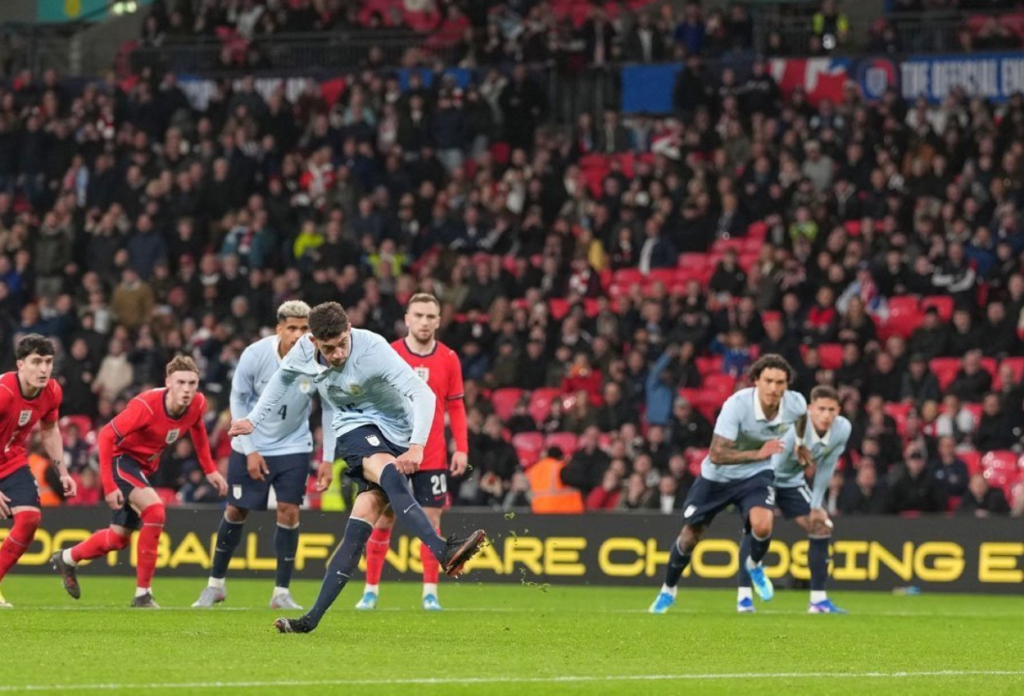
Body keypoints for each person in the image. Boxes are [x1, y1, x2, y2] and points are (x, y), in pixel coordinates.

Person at [228, 302, 485, 634]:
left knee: (356, 533)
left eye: (341, 344)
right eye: (328, 348)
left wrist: (418, 444)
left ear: (349, 329)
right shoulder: (303, 352)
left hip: (397, 430)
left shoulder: (373, 348)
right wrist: (253, 420)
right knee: (389, 473)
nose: (336, 355)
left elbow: (423, 394)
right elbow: (282, 380)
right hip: (352, 427)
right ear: (313, 341)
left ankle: (309, 620)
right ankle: (442, 549)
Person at [51, 356, 228, 608]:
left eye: (192, 383)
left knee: (118, 538)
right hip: (120, 460)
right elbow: (106, 435)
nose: (187, 389)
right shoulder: (147, 406)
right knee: (155, 510)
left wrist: (210, 470)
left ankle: (66, 558)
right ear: (168, 382)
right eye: (180, 382)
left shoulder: (197, 404)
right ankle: (143, 594)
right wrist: (109, 485)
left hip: (143, 467)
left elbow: (198, 429)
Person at [649, 355, 807, 614]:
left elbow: (801, 418)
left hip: (756, 474)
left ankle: (754, 565)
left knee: (763, 524)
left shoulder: (795, 403)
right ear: (756, 381)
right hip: (718, 477)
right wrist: (758, 453)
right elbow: (717, 454)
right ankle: (668, 590)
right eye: (768, 381)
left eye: (780, 382)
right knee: (690, 537)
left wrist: (799, 444)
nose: (774, 388)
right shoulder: (736, 405)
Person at [192, 301, 313, 610]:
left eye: (304, 328)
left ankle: (281, 593)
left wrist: (327, 460)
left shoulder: (317, 358)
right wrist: (251, 450)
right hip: (251, 443)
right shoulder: (255, 354)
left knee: (289, 511)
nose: (298, 335)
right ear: (279, 329)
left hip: (293, 445)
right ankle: (215, 585)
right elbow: (237, 399)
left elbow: (330, 403)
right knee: (236, 511)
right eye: (292, 328)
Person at [356, 293, 469, 612]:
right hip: (392, 449)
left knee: (431, 521)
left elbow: (456, 405)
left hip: (432, 453)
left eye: (430, 316)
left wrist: (461, 447)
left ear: (438, 320)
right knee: (383, 519)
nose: (424, 322)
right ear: (407, 318)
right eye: (418, 315)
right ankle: (371, 591)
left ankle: (430, 593)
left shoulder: (449, 357)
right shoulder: (389, 353)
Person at [738, 385, 850, 614]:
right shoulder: (795, 428)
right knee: (756, 528)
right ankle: (744, 598)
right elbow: (774, 463)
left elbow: (827, 466)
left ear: (839, 410)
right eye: (821, 409)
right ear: (810, 409)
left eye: (831, 409)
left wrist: (817, 505)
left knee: (820, 527)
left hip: (790, 482)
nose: (826, 415)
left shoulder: (842, 429)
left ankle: (818, 601)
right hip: (762, 476)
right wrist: (764, 500)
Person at [0, 335, 76, 608]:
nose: (43, 369)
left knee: (30, 519)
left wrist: (63, 472)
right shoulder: (3, 392)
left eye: (48, 362)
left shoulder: (52, 391)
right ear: (20, 365)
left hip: (12, 461)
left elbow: (49, 429)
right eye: (36, 362)